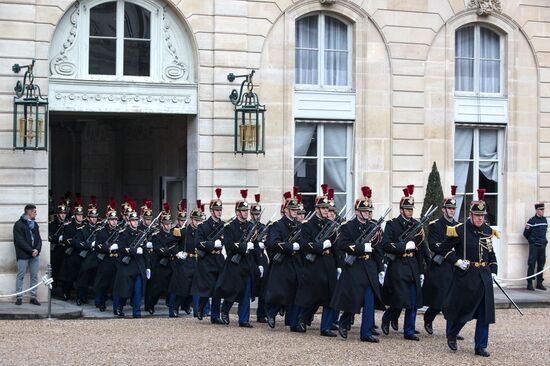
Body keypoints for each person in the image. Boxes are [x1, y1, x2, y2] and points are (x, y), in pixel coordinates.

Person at [438, 188, 499, 357]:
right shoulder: (460, 230)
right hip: (467, 275)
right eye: (477, 215)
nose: (480, 218)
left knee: (484, 314)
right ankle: (452, 333)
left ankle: (480, 346)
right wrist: (457, 261)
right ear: (471, 214)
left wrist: (493, 269)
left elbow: (491, 253)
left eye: (483, 216)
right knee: (464, 311)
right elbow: (443, 249)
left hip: (484, 275)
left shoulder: (488, 230)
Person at [331, 186, 384, 343]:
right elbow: (342, 244)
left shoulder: (373, 227)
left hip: (369, 267)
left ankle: (366, 333)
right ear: (357, 212)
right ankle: (344, 322)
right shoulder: (347, 226)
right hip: (354, 268)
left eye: (369, 211)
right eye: (365, 211)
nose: (368, 213)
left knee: (369, 301)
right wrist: (361, 248)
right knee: (353, 300)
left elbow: (379, 249)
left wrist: (381, 268)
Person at [381, 185, 425, 341]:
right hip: (398, 265)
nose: (410, 212)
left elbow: (420, 249)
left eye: (411, 209)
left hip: (412, 264)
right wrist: (403, 247)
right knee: (399, 300)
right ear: (401, 210)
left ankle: (409, 331)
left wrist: (421, 271)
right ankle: (387, 317)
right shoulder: (392, 224)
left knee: (412, 301)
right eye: (407, 209)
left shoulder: (416, 225)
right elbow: (385, 244)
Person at [296, 184, 338, 337]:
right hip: (314, 264)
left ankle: (325, 327)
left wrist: (338, 265)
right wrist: (320, 246)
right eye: (323, 208)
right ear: (317, 209)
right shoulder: (308, 225)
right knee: (312, 296)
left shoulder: (332, 225)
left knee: (328, 297)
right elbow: (304, 245)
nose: (327, 210)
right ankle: (302, 319)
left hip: (328, 262)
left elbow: (337, 246)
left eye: (327, 208)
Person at [423, 186, 462, 337]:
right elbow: (434, 245)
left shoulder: (458, 226)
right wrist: (448, 250)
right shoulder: (435, 225)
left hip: (454, 266)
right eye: (449, 208)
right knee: (439, 300)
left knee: (453, 299)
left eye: (453, 208)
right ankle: (428, 317)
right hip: (441, 266)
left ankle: (451, 331)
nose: (452, 211)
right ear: (443, 209)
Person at [216, 189, 259, 327]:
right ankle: (225, 310)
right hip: (234, 263)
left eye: (247, 210)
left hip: (247, 263)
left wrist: (259, 263)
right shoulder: (230, 226)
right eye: (243, 210)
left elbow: (255, 246)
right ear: (237, 212)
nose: (246, 212)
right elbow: (229, 245)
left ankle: (244, 319)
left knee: (246, 292)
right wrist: (244, 247)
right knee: (232, 290)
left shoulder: (251, 226)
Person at [265, 191, 302, 331]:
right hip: (282, 262)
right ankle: (271, 313)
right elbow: (273, 243)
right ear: (286, 210)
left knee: (294, 291)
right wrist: (290, 246)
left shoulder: (299, 226)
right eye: (292, 210)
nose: (294, 212)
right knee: (279, 292)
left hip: (295, 262)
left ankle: (293, 323)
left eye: (296, 210)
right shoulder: (277, 225)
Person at [192, 187, 226, 324]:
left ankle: (215, 315)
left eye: (220, 210)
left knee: (218, 288)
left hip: (219, 259)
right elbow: (198, 243)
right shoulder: (203, 226)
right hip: (207, 260)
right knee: (209, 287)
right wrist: (212, 245)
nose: (219, 212)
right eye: (216, 210)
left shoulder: (224, 225)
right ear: (211, 211)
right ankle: (201, 307)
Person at [113, 202, 148, 318]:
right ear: (129, 222)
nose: (135, 222)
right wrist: (133, 251)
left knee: (138, 292)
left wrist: (147, 267)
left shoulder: (141, 233)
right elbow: (122, 247)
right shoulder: (123, 233)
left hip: (138, 266)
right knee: (125, 291)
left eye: (136, 220)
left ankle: (136, 313)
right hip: (127, 266)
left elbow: (145, 253)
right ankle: (119, 307)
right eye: (133, 220)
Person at [93, 198, 121, 312]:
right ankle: (101, 303)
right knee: (103, 284)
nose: (114, 222)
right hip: (105, 260)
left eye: (115, 219)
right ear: (108, 220)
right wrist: (108, 248)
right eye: (112, 220)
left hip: (116, 260)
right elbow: (98, 246)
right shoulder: (101, 231)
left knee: (115, 284)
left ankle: (116, 306)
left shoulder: (119, 231)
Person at [13, 204, 43, 306]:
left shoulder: (35, 224)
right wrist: (31, 250)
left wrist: (37, 250)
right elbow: (20, 241)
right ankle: (19, 297)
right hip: (23, 254)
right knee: (20, 275)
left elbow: (39, 239)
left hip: (34, 254)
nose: (36, 213)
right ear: (29, 212)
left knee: (34, 276)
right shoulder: (18, 224)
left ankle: (33, 297)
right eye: (34, 211)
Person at [523, 202, 547, 291]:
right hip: (535, 246)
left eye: (543, 209)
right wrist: (532, 241)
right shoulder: (532, 221)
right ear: (537, 210)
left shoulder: (544, 220)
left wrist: (545, 241)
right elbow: (525, 233)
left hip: (542, 246)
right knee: (531, 264)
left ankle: (539, 283)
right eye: (541, 209)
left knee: (541, 264)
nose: (542, 211)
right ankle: (529, 283)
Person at [48, 201, 68, 289]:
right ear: (57, 214)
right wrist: (58, 238)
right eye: (61, 213)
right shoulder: (52, 224)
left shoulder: (68, 224)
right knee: (55, 268)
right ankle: (54, 285)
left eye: (64, 213)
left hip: (65, 249)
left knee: (64, 269)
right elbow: (49, 237)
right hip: (56, 249)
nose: (63, 215)